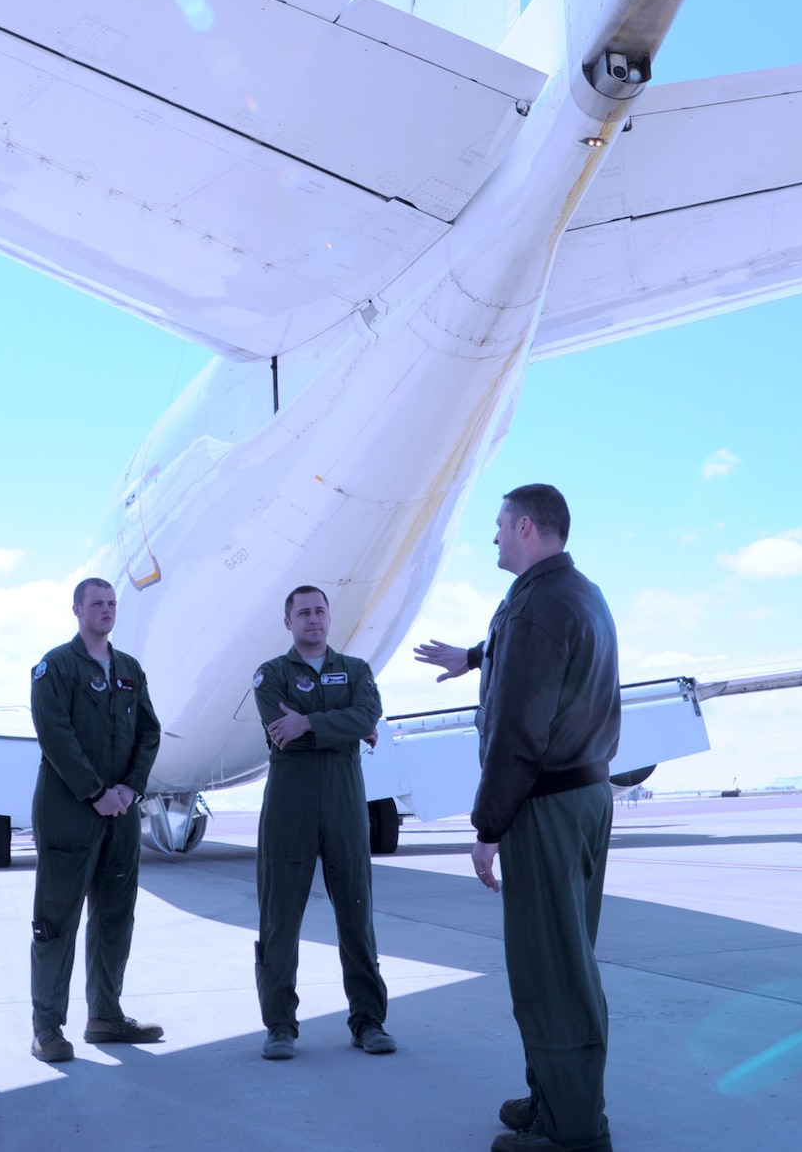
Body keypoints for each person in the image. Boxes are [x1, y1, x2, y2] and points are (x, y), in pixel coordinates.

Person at [414, 484, 620, 1152]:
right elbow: (537, 656)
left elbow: (517, 729)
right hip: (586, 795)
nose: (494, 538)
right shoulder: (578, 593)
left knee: (549, 969)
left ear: (527, 526)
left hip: (545, 803)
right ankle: (554, 1097)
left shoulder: (536, 607)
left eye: (500, 526)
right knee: (565, 956)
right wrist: (474, 656)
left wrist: (487, 826)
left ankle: (574, 1132)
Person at [251, 585, 394, 1061]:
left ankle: (368, 1021)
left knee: (357, 913)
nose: (313, 619)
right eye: (303, 612)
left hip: (344, 801)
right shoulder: (270, 674)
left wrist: (309, 724)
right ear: (288, 622)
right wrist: (347, 725)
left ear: (330, 619)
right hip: (289, 803)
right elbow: (280, 731)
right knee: (279, 918)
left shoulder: (355, 670)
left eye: (320, 611)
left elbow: (369, 714)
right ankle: (279, 1026)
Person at [27, 577, 162, 1063]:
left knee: (114, 914)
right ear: (77, 610)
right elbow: (55, 734)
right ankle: (47, 1027)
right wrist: (95, 791)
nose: (106, 610)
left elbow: (149, 731)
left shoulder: (129, 669)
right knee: (56, 919)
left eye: (111, 604)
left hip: (121, 811)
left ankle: (105, 1016)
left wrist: (129, 788)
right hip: (69, 810)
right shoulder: (56, 667)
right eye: (96, 604)